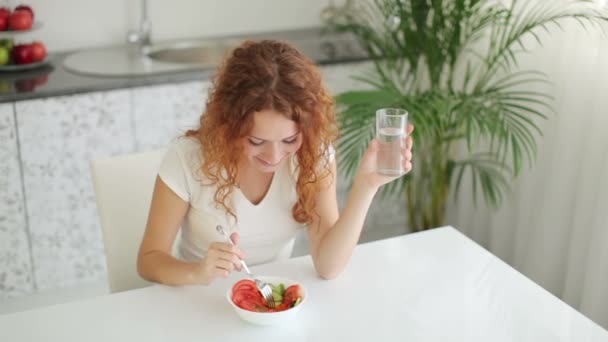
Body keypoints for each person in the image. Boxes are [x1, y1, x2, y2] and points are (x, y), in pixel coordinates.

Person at [137, 39, 414, 286]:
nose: (273, 157)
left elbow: (328, 268)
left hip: (273, 301)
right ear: (229, 127)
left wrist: (366, 186)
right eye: (256, 142)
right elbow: (148, 260)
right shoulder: (187, 158)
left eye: (289, 141)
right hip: (198, 299)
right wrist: (197, 273)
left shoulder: (312, 155)